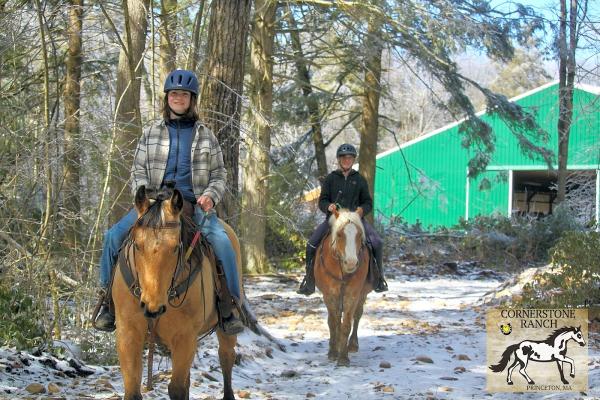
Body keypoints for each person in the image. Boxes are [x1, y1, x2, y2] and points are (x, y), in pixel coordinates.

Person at [94, 69, 244, 335]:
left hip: (193, 205)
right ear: (167, 98)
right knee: (113, 236)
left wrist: (210, 195)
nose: (178, 98)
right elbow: (138, 170)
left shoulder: (206, 136)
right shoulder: (150, 133)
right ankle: (106, 302)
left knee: (222, 242)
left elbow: (220, 174)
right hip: (153, 205)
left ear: (191, 99)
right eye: (174, 94)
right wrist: (143, 193)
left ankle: (230, 306)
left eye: (184, 95)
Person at [297, 143, 388, 295]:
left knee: (377, 243)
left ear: (353, 160)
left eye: (350, 158)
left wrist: (362, 209)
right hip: (334, 220)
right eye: (344, 158)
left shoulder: (360, 180)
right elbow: (322, 201)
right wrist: (328, 207)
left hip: (355, 221)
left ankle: (379, 280)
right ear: (339, 160)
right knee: (311, 244)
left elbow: (368, 202)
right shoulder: (330, 179)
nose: (347, 160)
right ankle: (309, 281)